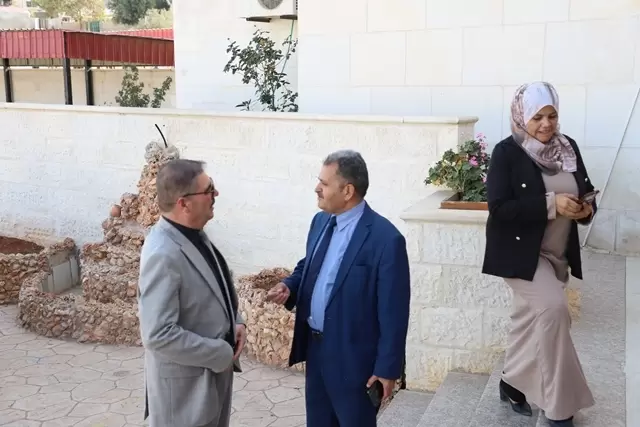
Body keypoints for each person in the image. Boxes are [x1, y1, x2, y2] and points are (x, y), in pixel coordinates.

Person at [267, 149, 411, 427]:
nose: (316, 188)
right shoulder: (320, 221)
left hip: (356, 362)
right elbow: (309, 265)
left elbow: (394, 312)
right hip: (316, 352)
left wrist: (387, 369)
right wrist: (289, 286)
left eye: (324, 183)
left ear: (347, 191)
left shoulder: (386, 239)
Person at [482, 82, 596, 427]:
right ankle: (560, 409)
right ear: (522, 117)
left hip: (558, 254)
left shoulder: (567, 147)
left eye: (552, 115)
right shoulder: (507, 152)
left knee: (528, 322)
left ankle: (511, 383)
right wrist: (551, 204)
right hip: (520, 254)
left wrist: (585, 210)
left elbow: (586, 191)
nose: (546, 124)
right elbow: (499, 207)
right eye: (537, 117)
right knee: (554, 311)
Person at [137, 159, 246, 427]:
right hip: (185, 399)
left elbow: (215, 285)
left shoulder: (192, 234)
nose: (216, 194)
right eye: (208, 190)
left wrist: (235, 321)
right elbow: (158, 334)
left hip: (208, 386)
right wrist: (220, 353)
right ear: (184, 203)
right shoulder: (163, 253)